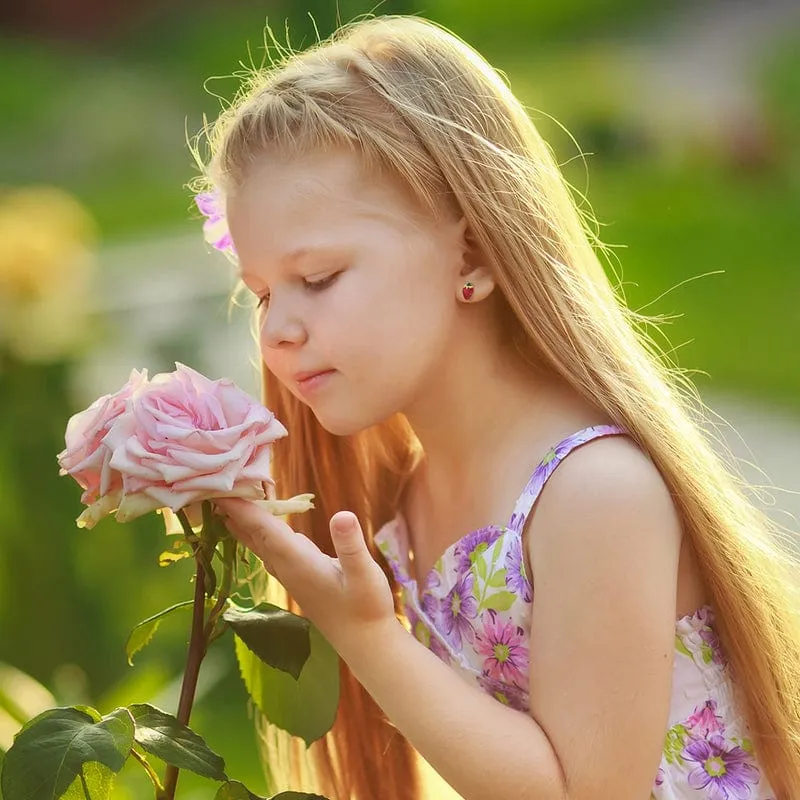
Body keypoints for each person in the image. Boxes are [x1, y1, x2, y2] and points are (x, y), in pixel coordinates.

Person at [200, 15, 800, 799]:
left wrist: (365, 635)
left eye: (317, 279)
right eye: (264, 293)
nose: (277, 330)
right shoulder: (405, 497)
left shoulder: (591, 492)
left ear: (472, 253)